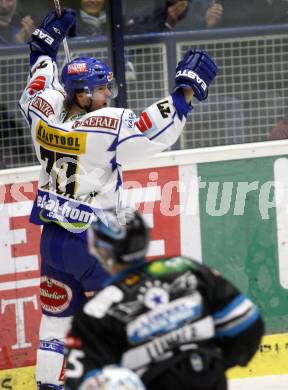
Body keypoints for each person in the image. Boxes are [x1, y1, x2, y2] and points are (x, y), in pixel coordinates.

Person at [18, 7, 217, 390]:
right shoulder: (102, 129)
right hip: (93, 242)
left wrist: (46, 43)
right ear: (81, 94)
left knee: (55, 324)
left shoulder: (41, 112)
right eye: (101, 88)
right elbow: (152, 131)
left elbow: (38, 74)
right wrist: (186, 90)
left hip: (54, 241)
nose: (108, 93)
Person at [65, 207, 264, 390]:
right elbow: (248, 325)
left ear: (101, 251)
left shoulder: (95, 311)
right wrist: (214, 365)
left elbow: (81, 380)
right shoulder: (186, 269)